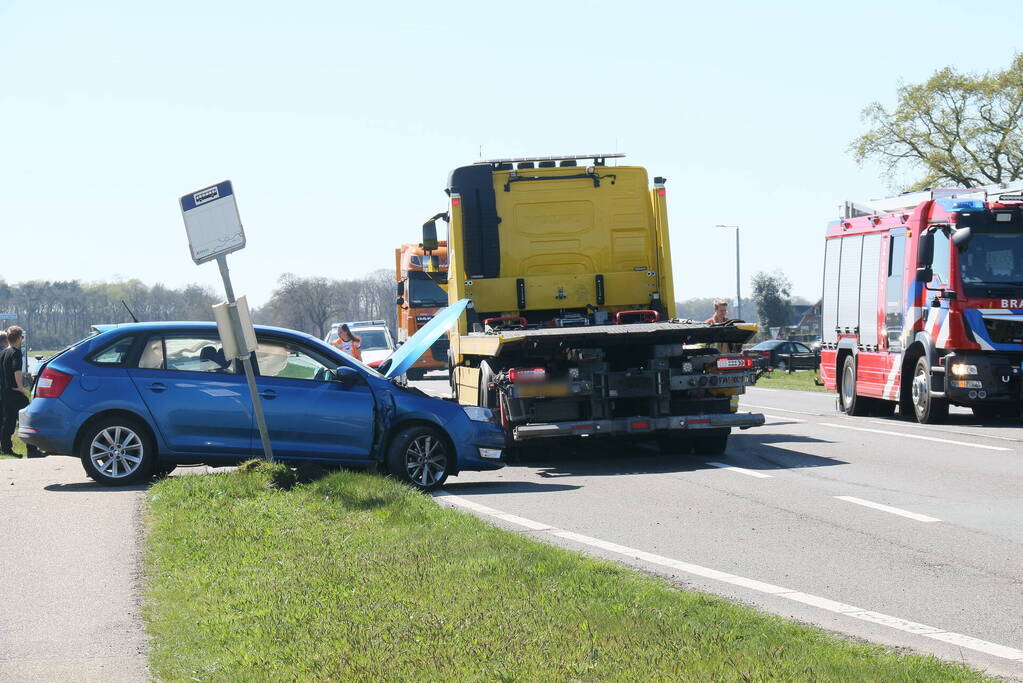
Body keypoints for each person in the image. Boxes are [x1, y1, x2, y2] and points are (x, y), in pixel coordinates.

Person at [0, 326, 29, 456]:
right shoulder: (16, 352)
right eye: (21, 337)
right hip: (15, 391)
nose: (22, 339)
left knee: (8, 421)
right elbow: (17, 370)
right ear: (18, 338)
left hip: (5, 392)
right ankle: (32, 449)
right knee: (27, 418)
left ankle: (6, 448)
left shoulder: (3, 353)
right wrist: (20, 387)